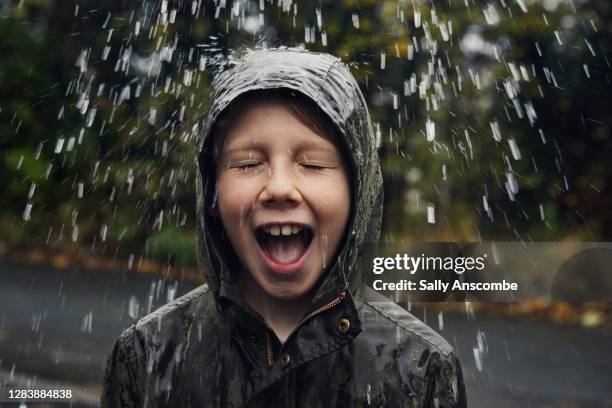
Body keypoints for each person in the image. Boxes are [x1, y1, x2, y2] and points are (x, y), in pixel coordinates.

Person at [101, 47, 466, 407]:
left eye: (312, 164)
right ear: (212, 191)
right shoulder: (146, 357)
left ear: (358, 192)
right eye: (246, 163)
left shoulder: (421, 371)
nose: (279, 188)